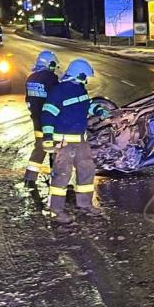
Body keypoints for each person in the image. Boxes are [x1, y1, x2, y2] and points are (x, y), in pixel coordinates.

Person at [40, 58, 110, 223]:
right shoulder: (59, 91)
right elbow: (47, 114)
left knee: (87, 171)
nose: (86, 79)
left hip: (81, 140)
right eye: (85, 76)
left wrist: (98, 110)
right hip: (64, 142)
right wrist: (48, 137)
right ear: (79, 74)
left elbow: (85, 106)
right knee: (62, 175)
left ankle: (85, 204)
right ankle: (56, 210)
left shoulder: (80, 89)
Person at [24, 50, 60, 184]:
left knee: (40, 146)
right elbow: (56, 97)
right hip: (49, 119)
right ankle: (56, 178)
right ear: (50, 64)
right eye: (53, 65)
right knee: (54, 148)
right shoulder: (51, 78)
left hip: (37, 120)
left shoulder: (31, 78)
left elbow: (28, 99)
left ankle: (30, 178)